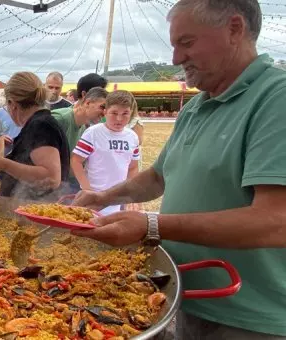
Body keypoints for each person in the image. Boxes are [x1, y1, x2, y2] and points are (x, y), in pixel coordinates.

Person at [72, 0, 286, 338]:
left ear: (234, 29)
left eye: (186, 43)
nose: (174, 59)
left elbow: (276, 222)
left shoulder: (277, 97)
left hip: (249, 316)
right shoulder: (198, 106)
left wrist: (151, 225)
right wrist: (101, 197)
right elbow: (159, 177)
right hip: (188, 297)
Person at [0, 72, 69, 201]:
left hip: (35, 211)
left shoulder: (41, 125)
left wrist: (3, 164)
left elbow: (51, 179)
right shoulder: (40, 123)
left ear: (12, 104)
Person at [70, 90, 139, 216]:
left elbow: (133, 167)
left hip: (117, 200)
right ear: (105, 111)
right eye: (114, 113)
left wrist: (131, 195)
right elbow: (76, 160)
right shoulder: (93, 133)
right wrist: (87, 189)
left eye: (125, 114)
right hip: (93, 199)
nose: (119, 119)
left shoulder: (132, 137)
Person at [52, 87, 108, 194]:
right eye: (102, 107)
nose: (104, 113)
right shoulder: (60, 119)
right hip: (48, 190)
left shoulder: (84, 128)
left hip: (66, 186)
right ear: (87, 103)